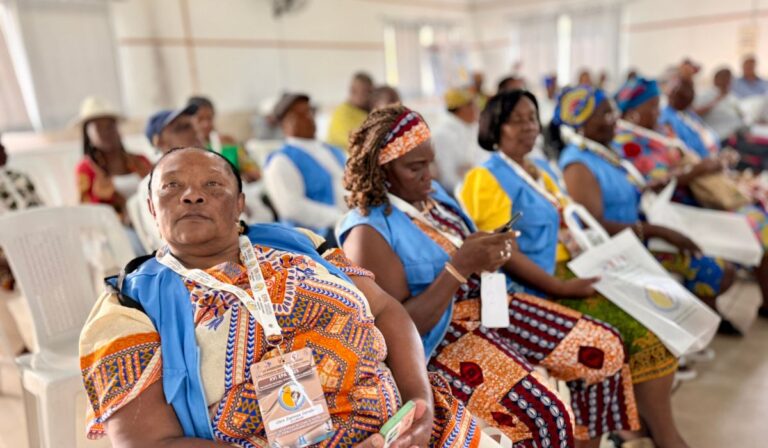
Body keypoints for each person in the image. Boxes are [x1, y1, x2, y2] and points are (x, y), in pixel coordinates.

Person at [79, 146, 494, 448]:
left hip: (400, 431)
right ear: (152, 209)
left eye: (212, 184)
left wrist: (418, 406)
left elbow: (386, 309)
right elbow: (152, 443)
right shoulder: (127, 309)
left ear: (240, 203)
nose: (192, 195)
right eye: (172, 187)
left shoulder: (302, 246)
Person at [340, 104, 642, 448]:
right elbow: (395, 331)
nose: (430, 175)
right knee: (546, 416)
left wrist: (488, 250)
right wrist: (459, 268)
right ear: (382, 172)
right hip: (442, 338)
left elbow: (466, 246)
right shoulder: (368, 233)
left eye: (430, 162)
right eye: (415, 167)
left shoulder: (433, 198)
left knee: (605, 350)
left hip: (490, 305)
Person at [461, 90, 706, 448]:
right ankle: (654, 432)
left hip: (572, 267)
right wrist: (560, 287)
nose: (529, 127)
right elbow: (502, 252)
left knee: (656, 318)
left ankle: (641, 427)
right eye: (518, 121)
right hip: (532, 285)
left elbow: (571, 223)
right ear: (495, 128)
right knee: (632, 334)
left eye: (532, 118)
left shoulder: (541, 168)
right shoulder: (485, 177)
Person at [552, 86, 734, 312]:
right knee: (713, 268)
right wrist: (658, 231)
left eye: (614, 112)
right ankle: (693, 324)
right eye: (606, 114)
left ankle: (701, 320)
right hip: (619, 248)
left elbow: (628, 188)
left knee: (713, 255)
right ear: (582, 123)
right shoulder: (578, 164)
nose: (615, 119)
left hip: (638, 235)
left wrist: (654, 187)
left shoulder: (606, 151)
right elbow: (594, 223)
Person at [613, 76, 768, 319]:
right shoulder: (627, 142)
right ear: (632, 113)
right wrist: (699, 170)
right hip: (672, 213)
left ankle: (710, 313)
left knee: (757, 220)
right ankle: (702, 317)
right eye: (652, 107)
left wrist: (710, 165)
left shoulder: (660, 131)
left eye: (658, 105)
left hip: (694, 205)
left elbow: (689, 158)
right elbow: (652, 184)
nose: (658, 112)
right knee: (729, 252)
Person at [263, 93, 347, 241]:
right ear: (284, 124)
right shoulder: (281, 160)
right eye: (300, 115)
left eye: (309, 111)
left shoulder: (333, 151)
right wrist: (339, 217)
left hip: (350, 222)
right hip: (317, 237)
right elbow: (292, 208)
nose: (308, 118)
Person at [661, 77, 767, 172]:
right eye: (684, 92)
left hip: (721, 152)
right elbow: (686, 153)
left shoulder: (687, 114)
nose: (689, 95)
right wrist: (718, 159)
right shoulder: (668, 119)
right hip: (704, 165)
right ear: (672, 95)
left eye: (690, 91)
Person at [134, 104, 203, 251]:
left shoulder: (218, 172)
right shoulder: (152, 185)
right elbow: (166, 241)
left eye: (192, 125)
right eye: (181, 128)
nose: (193, 132)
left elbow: (256, 212)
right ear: (159, 142)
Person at [75, 97, 152, 222]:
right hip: (116, 228)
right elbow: (89, 209)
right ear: (88, 135)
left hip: (151, 219)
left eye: (110, 126)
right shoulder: (85, 169)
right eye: (98, 128)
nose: (106, 132)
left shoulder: (141, 161)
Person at [187, 96, 261, 182]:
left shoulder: (228, 144)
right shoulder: (187, 149)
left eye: (209, 118)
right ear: (189, 120)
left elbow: (254, 172)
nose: (206, 124)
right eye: (200, 119)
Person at [432, 88, 487, 193]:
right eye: (471, 104)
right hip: (461, 195)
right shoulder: (442, 134)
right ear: (460, 108)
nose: (477, 109)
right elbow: (447, 177)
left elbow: (485, 160)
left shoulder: (474, 128)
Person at [327, 72, 373, 151]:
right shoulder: (341, 114)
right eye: (366, 92)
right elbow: (360, 141)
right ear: (353, 91)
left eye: (371, 92)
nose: (369, 96)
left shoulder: (366, 111)